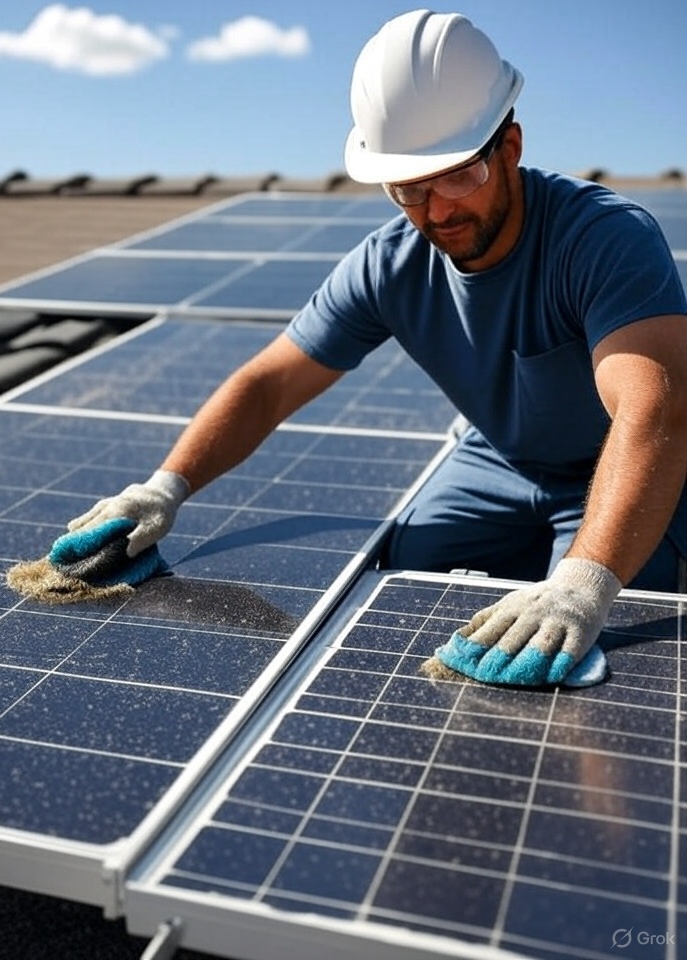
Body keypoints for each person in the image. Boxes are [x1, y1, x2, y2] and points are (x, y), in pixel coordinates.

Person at [70, 10, 687, 684]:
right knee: (403, 590)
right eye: (408, 189)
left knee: (606, 640)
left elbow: (656, 409)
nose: (438, 210)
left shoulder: (602, 239)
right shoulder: (389, 263)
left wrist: (583, 583)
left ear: (508, 146)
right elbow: (271, 382)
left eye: (457, 177)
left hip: (624, 464)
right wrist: (163, 489)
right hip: (495, 462)